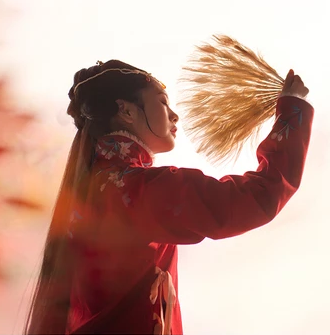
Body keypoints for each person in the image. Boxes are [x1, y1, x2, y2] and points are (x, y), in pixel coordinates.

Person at [23, 59, 314, 335]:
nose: (174, 115)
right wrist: (293, 111)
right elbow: (257, 197)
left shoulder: (92, 190)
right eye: (163, 103)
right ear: (126, 112)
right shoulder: (138, 190)